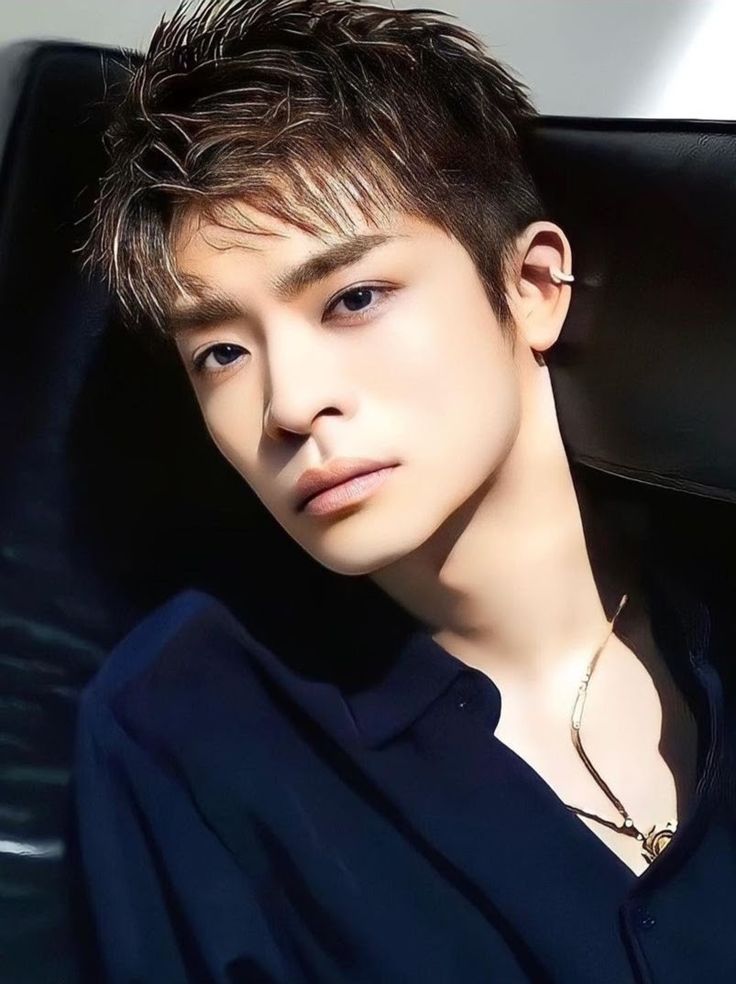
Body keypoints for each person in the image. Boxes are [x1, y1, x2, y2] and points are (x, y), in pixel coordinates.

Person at [72, 1, 736, 981]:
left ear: (532, 286)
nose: (289, 403)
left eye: (353, 299)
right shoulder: (177, 729)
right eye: (221, 353)